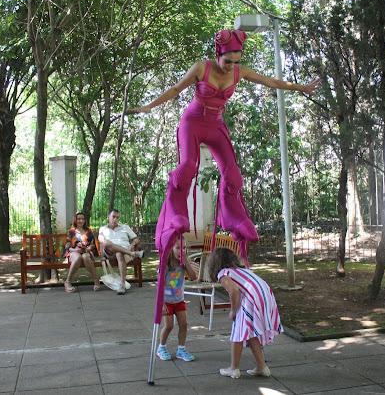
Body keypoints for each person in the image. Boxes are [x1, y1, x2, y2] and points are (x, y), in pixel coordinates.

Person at [127, 29, 321, 262]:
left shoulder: (239, 72)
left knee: (233, 175)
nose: (231, 66)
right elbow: (176, 89)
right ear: (218, 53)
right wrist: (150, 106)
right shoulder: (202, 68)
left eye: (236, 62)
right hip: (193, 122)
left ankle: (233, 218)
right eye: (228, 61)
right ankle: (176, 216)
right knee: (187, 168)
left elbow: (270, 81)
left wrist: (301, 87)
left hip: (216, 124)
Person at [206, 247, 283, 379]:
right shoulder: (242, 270)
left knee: (238, 331)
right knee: (250, 331)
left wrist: (233, 310)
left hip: (252, 297)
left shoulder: (224, 273)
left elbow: (234, 290)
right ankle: (261, 366)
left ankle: (233, 368)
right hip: (265, 294)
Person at [156, 237, 197, 362]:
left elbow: (194, 277)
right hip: (167, 301)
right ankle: (161, 347)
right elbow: (160, 285)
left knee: (183, 325)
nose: (182, 251)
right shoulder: (165, 265)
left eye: (184, 248)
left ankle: (181, 349)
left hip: (179, 300)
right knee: (169, 325)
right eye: (178, 248)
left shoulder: (183, 263)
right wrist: (161, 304)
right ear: (171, 249)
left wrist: (186, 262)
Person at [98, 209, 146, 295]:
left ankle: (122, 284)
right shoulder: (103, 229)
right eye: (113, 217)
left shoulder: (125, 227)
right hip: (110, 252)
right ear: (108, 217)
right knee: (106, 242)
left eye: (117, 217)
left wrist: (132, 243)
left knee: (119, 253)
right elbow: (102, 242)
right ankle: (133, 254)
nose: (115, 219)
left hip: (123, 253)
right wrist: (102, 256)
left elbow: (136, 239)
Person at [63, 211, 101, 293]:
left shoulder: (89, 230)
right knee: (77, 257)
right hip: (74, 251)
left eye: (83, 219)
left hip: (86, 251)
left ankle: (96, 280)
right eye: (79, 219)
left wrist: (87, 249)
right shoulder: (71, 232)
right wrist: (75, 250)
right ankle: (68, 281)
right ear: (75, 220)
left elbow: (92, 244)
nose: (81, 221)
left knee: (85, 257)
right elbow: (68, 246)